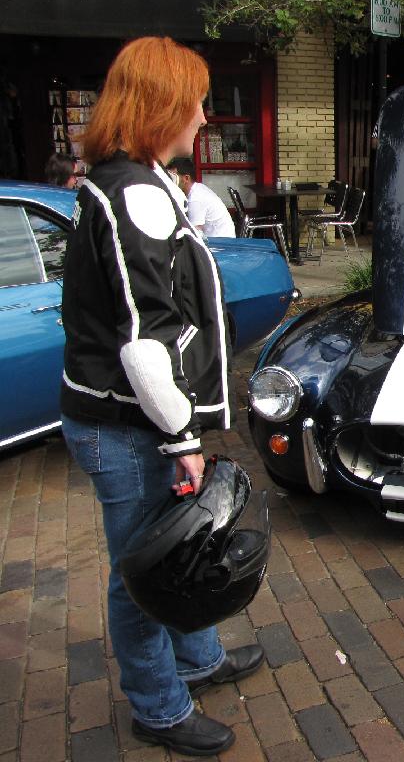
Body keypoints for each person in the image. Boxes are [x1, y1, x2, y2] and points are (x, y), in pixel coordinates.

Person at [60, 37, 264, 756]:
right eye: (196, 103)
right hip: (128, 425)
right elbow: (145, 343)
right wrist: (182, 437)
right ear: (161, 106)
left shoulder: (132, 181)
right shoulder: (135, 194)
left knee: (175, 549)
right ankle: (158, 707)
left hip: (126, 419)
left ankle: (198, 660)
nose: (205, 118)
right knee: (146, 572)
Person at [166, 156, 236, 237]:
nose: (169, 181)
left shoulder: (195, 198)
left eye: (173, 177)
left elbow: (195, 232)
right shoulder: (197, 189)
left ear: (186, 178)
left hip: (220, 241)